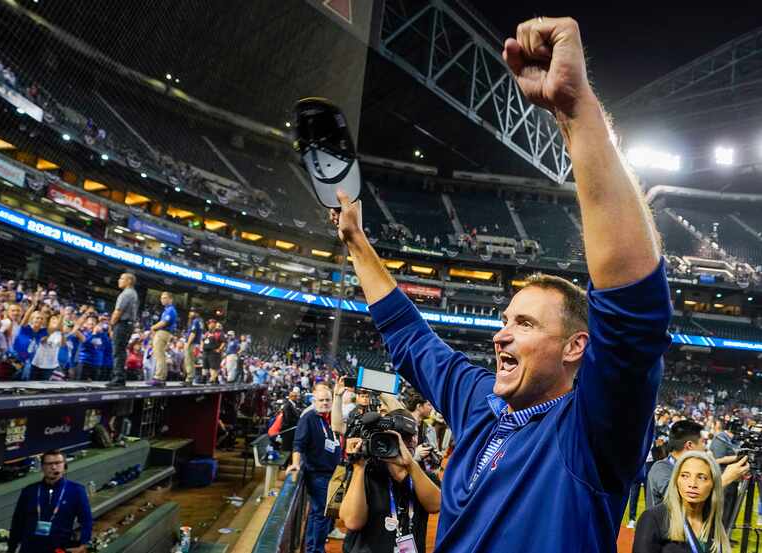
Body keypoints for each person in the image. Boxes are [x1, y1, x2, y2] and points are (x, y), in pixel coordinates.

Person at [329, 17, 673, 551]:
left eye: (525, 323)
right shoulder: (479, 401)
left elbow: (634, 309)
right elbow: (409, 336)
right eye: (505, 321)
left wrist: (578, 112)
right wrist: (356, 242)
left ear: (576, 347)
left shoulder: (591, 434)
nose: (500, 336)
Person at [340, 410, 441, 553]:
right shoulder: (367, 473)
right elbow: (352, 521)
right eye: (403, 438)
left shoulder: (422, 477)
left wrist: (411, 465)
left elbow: (436, 505)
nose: (410, 442)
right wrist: (359, 467)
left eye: (412, 436)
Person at [633, 451, 731, 553]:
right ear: (676, 480)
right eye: (685, 476)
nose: (692, 484)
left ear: (713, 484)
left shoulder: (713, 519)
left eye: (702, 477)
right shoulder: (653, 519)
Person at [285, 384, 341, 553]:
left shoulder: (331, 417)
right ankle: (315, 550)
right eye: (321, 400)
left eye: (328, 400)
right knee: (320, 514)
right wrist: (295, 463)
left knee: (319, 514)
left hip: (332, 472)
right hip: (317, 474)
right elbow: (298, 444)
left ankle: (313, 547)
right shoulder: (308, 418)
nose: (325, 403)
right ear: (314, 400)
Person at [647, 420, 748, 509]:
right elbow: (679, 500)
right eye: (703, 442)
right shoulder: (661, 468)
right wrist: (726, 478)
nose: (705, 448)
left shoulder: (691, 469)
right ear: (689, 445)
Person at [9, 450, 92, 553]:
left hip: (59, 547)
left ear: (64, 466)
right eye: (49, 464)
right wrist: (11, 548)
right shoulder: (29, 491)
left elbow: (86, 520)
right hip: (30, 547)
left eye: (58, 463)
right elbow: (17, 522)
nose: (53, 467)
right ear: (42, 467)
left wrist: (84, 543)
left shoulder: (76, 490)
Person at [710, 419, 744, 528]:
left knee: (730, 508)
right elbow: (717, 459)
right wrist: (737, 457)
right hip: (722, 477)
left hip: (733, 478)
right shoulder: (720, 438)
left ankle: (726, 534)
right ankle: (716, 535)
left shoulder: (732, 440)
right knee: (722, 508)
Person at [108, 272, 138, 387]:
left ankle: (118, 378)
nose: (119, 280)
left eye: (122, 278)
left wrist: (111, 324)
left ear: (129, 281)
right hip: (128, 324)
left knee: (118, 351)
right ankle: (119, 377)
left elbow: (118, 311)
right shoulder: (133, 293)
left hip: (123, 324)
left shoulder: (126, 294)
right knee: (121, 351)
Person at [148, 292, 177, 386]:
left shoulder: (170, 310)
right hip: (165, 333)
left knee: (159, 355)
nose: (162, 299)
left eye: (165, 298)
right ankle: (162, 378)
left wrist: (153, 327)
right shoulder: (167, 309)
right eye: (161, 298)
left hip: (163, 332)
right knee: (161, 356)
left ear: (170, 299)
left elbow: (164, 323)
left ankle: (159, 377)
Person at [183, 307, 203, 385]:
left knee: (189, 361)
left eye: (193, 312)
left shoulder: (196, 321)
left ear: (197, 313)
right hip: (196, 344)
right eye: (191, 311)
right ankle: (190, 378)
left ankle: (189, 379)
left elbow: (193, 333)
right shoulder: (200, 321)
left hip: (192, 343)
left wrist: (188, 343)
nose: (190, 313)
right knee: (191, 361)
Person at [280, 386, 302, 455]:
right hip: (288, 431)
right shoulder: (287, 406)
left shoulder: (293, 404)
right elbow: (287, 419)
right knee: (286, 449)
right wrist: (297, 422)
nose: (297, 398)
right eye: (296, 397)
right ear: (292, 397)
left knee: (289, 448)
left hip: (291, 430)